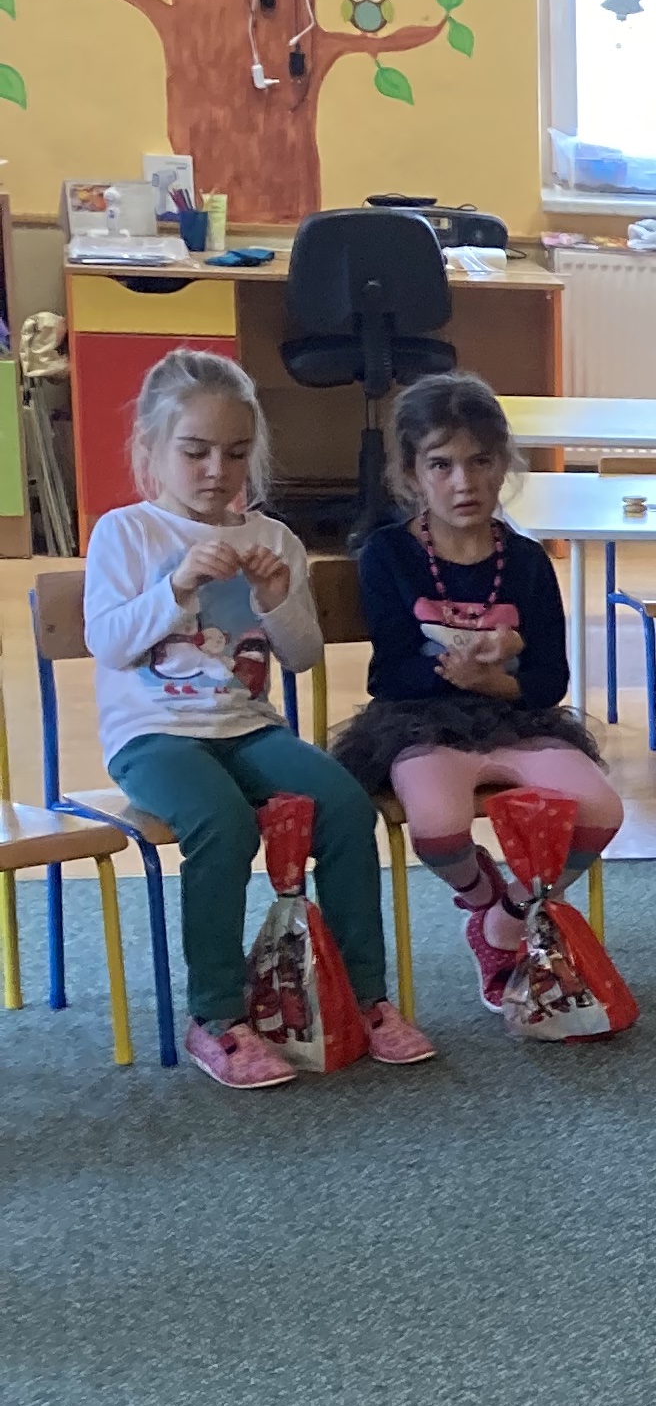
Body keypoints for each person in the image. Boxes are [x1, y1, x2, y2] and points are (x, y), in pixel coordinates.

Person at [81, 347, 435, 1085]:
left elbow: (301, 656)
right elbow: (109, 644)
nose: (217, 470)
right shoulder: (126, 532)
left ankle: (363, 997)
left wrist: (276, 602)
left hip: (249, 727)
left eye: (236, 452)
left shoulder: (272, 539)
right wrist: (178, 587)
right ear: (151, 448)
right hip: (152, 736)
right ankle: (216, 1016)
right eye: (195, 451)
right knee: (223, 823)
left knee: (345, 805)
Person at [335, 371, 622, 1013]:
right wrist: (459, 673)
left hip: (516, 718)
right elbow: (391, 673)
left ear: (503, 465)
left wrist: (499, 681)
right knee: (438, 826)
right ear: (411, 473)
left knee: (601, 810)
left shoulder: (527, 561)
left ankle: (505, 922)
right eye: (441, 465)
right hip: (417, 722)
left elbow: (550, 681)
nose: (463, 482)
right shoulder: (387, 555)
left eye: (480, 462)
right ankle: (483, 899)